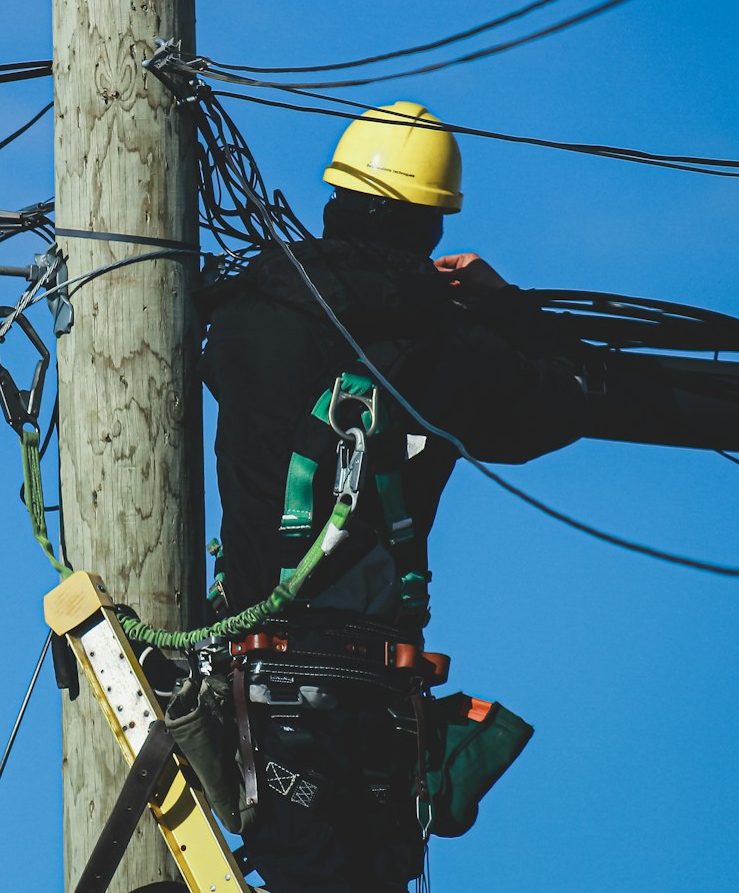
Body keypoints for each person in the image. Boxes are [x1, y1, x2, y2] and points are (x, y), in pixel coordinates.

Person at [196, 102, 587, 891]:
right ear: (431, 229)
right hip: (376, 703)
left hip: (259, 695)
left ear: (336, 200)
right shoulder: (450, 344)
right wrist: (501, 301)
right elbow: (567, 397)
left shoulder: (243, 316)